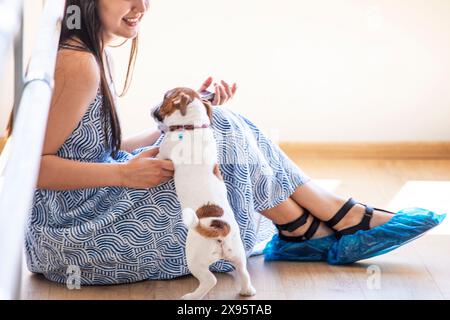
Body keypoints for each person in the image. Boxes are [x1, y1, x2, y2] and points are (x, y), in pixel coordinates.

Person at [9, 0, 443, 285]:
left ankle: (309, 227)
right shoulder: (78, 63)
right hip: (72, 237)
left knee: (216, 122)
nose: (141, 6)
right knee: (224, 135)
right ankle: (326, 221)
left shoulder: (87, 50)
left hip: (85, 210)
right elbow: (30, 168)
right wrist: (125, 171)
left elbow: (99, 143)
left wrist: (186, 116)